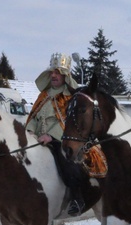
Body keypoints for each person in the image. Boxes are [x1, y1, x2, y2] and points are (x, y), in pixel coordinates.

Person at [26, 52, 89, 216]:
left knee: (66, 161)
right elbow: (34, 116)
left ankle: (77, 198)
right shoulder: (44, 95)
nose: (53, 75)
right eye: (52, 72)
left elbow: (69, 122)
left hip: (60, 140)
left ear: (65, 75)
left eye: (57, 72)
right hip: (36, 138)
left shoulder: (70, 97)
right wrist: (30, 130)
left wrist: (52, 137)